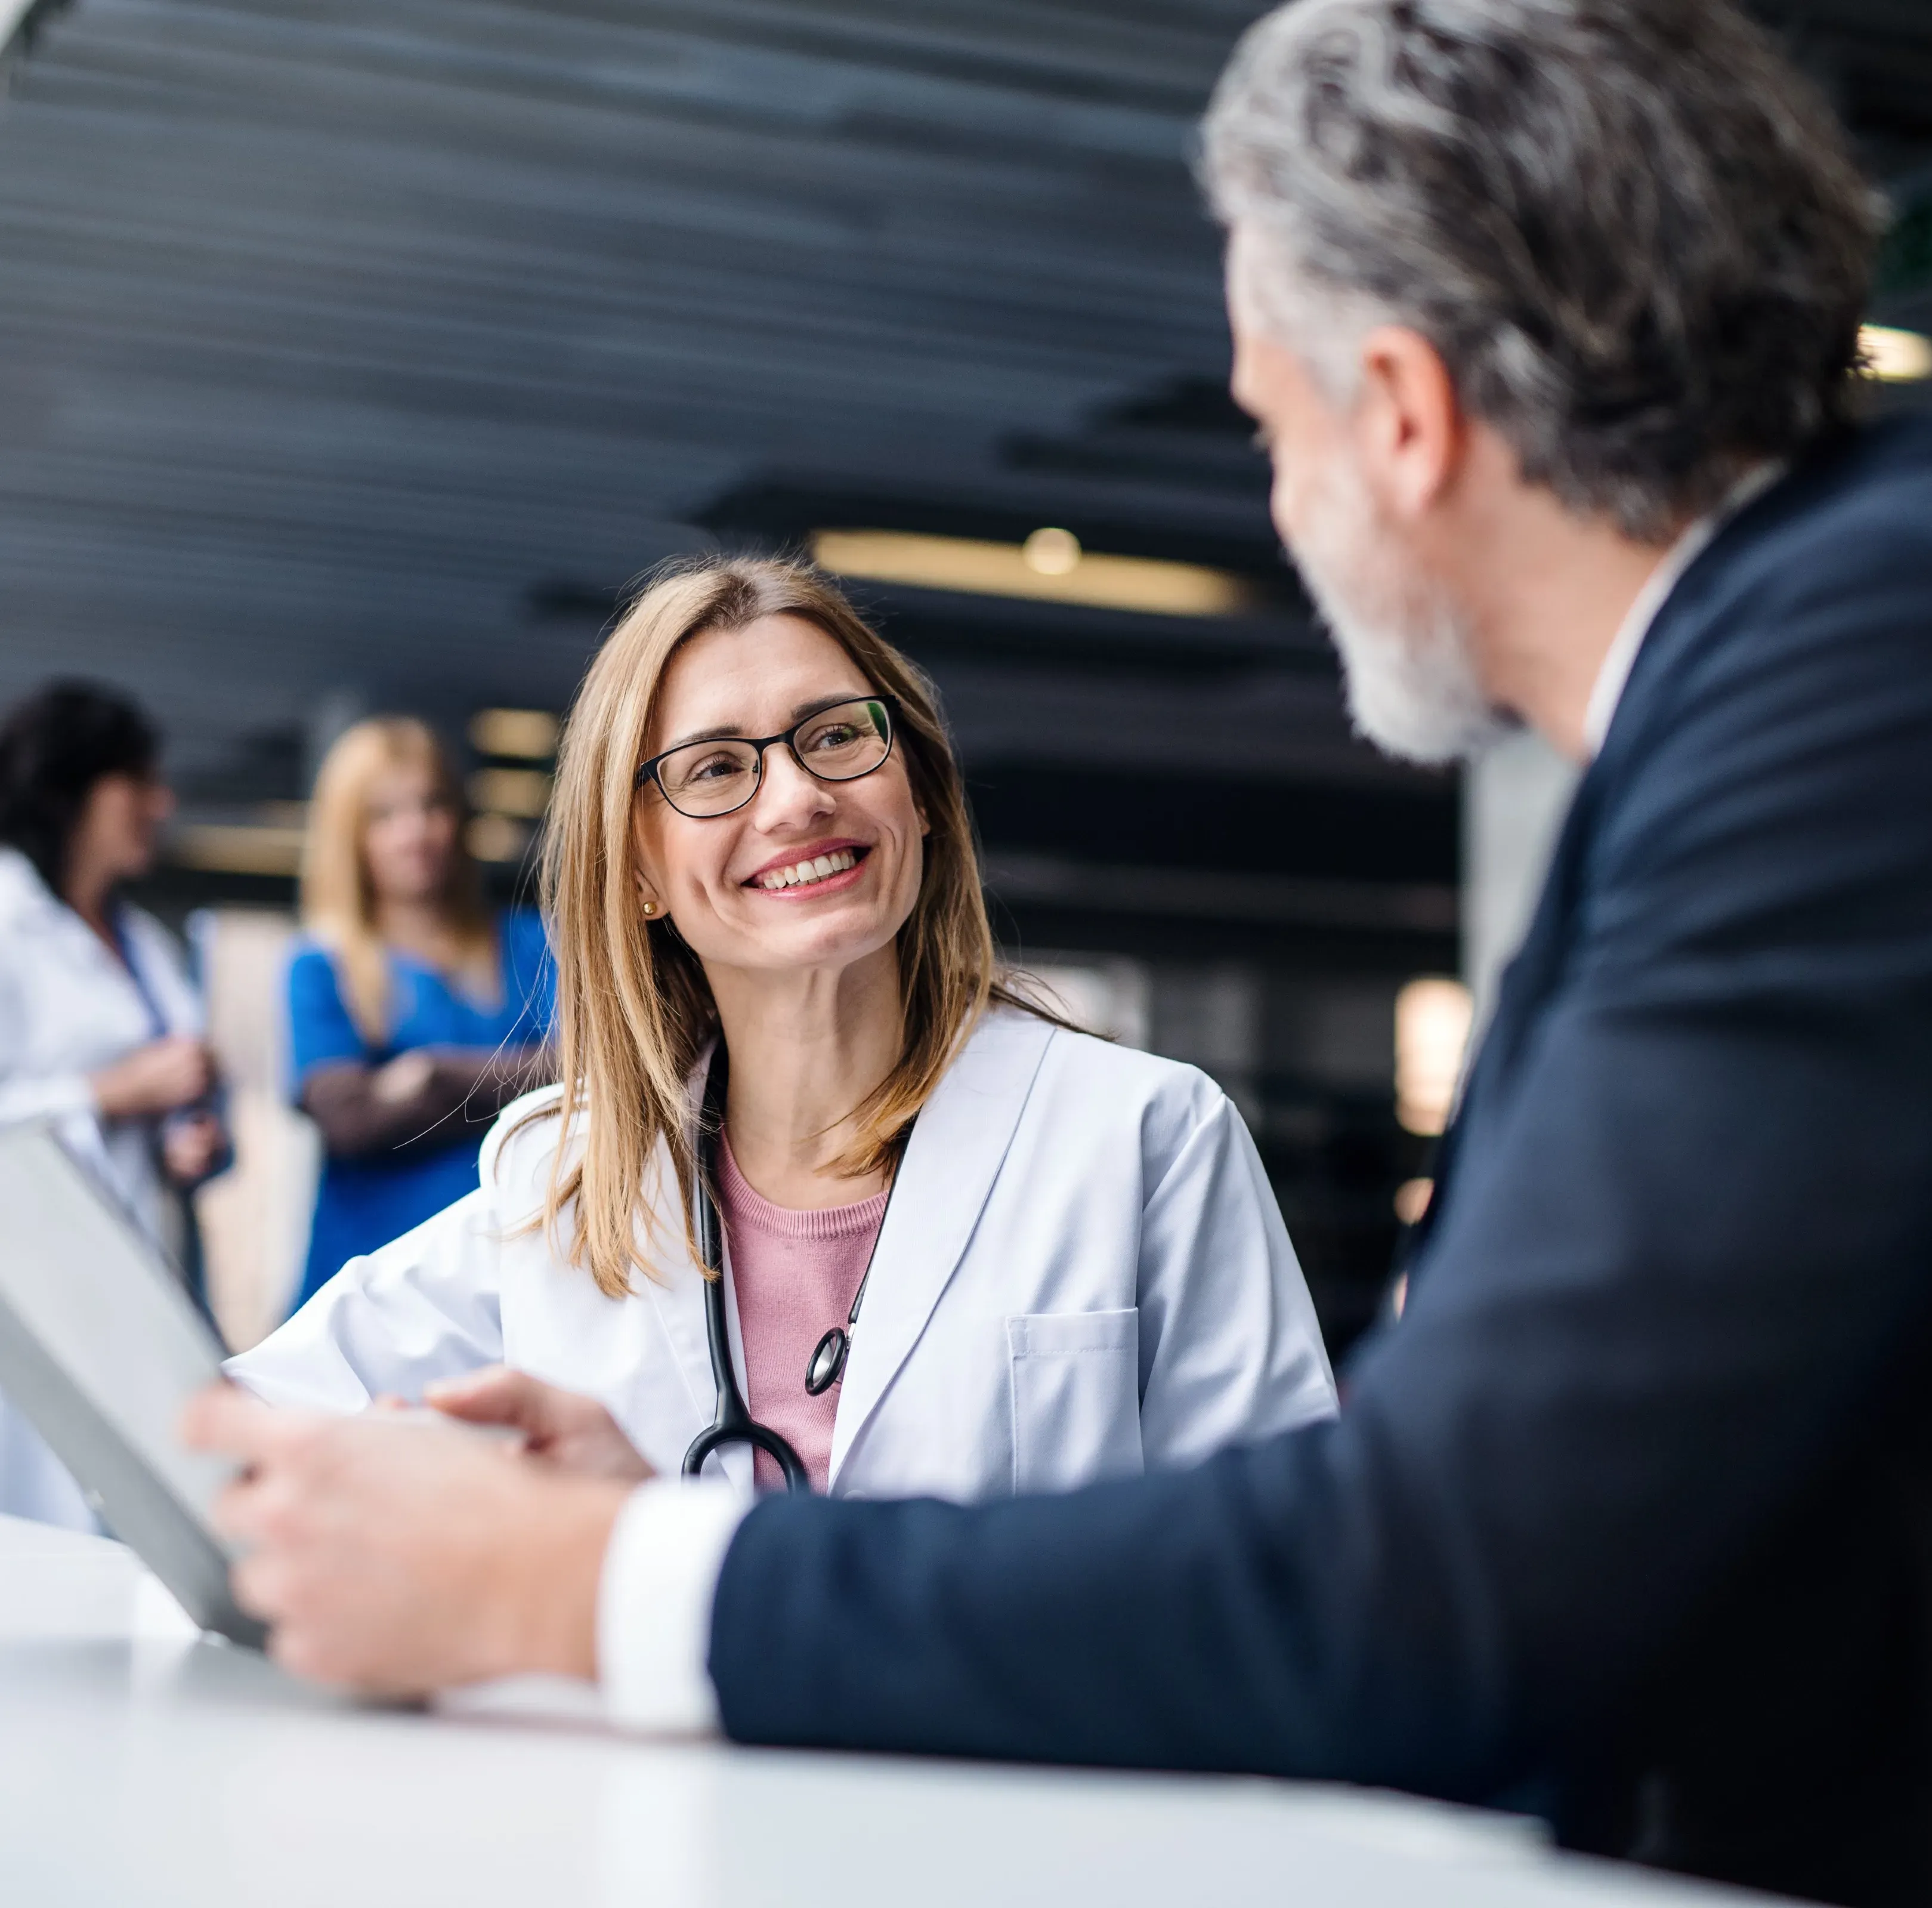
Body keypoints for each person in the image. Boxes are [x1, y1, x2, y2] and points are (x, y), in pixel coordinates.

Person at [183, 2, 1932, 1900]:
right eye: (708, 773)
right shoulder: (1758, 692)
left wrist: (588, 1580)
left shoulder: (1842, 676)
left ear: (1403, 416)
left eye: (1267, 425)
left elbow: (1436, 1565)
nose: (1275, 499)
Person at [224, 558, 1334, 1505]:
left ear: (922, 795)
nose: (794, 796)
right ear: (641, 870)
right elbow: (229, 1432)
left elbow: (1288, 1580)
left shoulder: (1144, 1135)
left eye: (836, 735)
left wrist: (665, 1550)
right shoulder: (561, 1177)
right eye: (714, 767)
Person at [0, 680, 225, 1526]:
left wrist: (186, 1137)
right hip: (26, 1278)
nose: (160, 803)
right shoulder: (7, 919)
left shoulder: (146, 941)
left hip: (132, 1266)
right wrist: (111, 1092)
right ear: (73, 791)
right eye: (138, 782)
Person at [285, 717, 553, 1313]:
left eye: (432, 805)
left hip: (517, 1273)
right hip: (373, 1283)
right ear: (349, 835)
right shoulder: (320, 966)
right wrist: (520, 1080)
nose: (416, 832)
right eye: (384, 816)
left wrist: (430, 1077)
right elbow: (349, 1119)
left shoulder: (531, 944)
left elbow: (591, 1072)